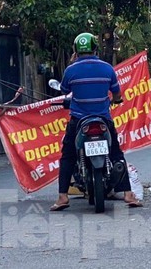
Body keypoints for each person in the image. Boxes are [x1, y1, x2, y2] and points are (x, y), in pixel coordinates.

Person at [50, 32, 143, 211]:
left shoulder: (71, 70)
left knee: (68, 155)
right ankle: (128, 194)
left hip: (78, 120)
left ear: (76, 50)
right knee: (116, 153)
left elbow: (64, 91)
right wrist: (116, 100)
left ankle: (62, 197)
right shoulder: (107, 68)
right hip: (103, 119)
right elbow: (116, 94)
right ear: (95, 48)